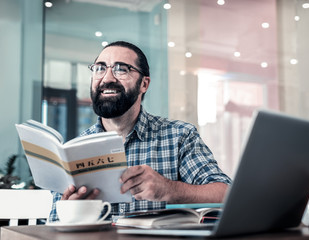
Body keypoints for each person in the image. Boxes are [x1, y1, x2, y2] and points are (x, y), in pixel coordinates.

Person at [49, 41, 232, 221]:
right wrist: (69, 212)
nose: (107, 78)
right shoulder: (73, 152)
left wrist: (170, 190)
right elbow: (52, 226)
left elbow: (225, 194)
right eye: (100, 68)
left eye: (121, 69)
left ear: (144, 84)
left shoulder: (179, 136)